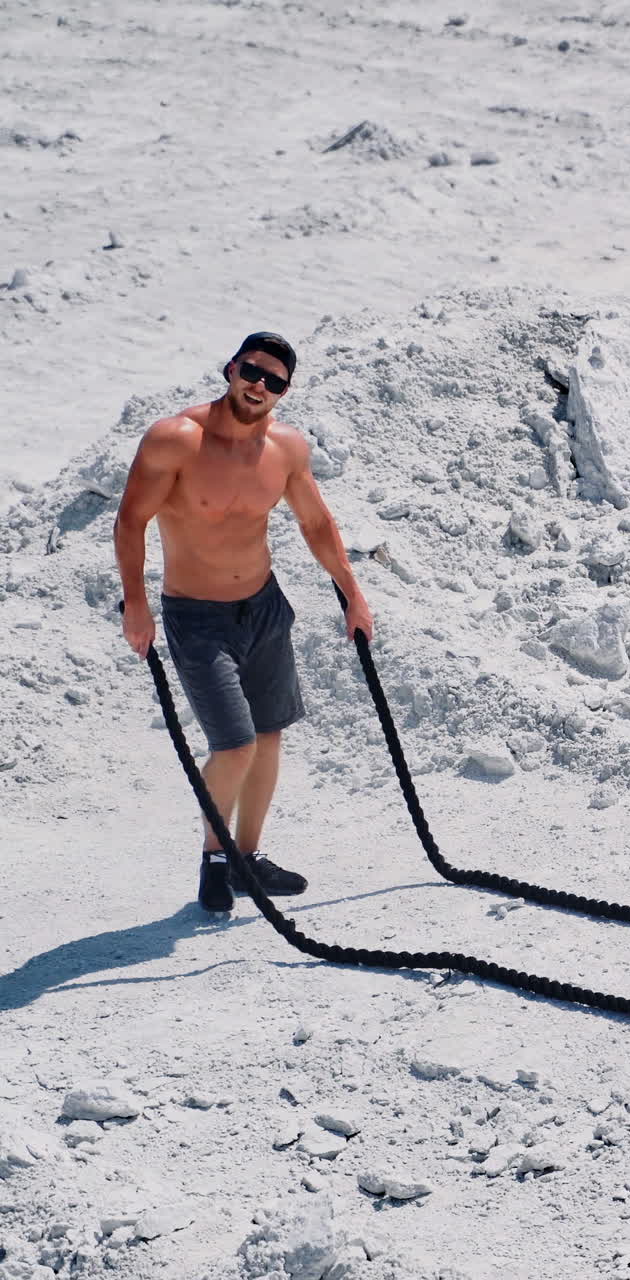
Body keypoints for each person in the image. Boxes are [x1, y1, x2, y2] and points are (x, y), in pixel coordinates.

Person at [114, 331, 373, 912]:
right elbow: (131, 521)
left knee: (267, 735)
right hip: (197, 617)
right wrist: (136, 600)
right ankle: (215, 857)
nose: (259, 386)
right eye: (252, 371)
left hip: (264, 607)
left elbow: (316, 525)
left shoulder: (284, 449)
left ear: (284, 392)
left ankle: (246, 860)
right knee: (232, 745)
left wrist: (353, 594)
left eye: (274, 381)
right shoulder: (175, 439)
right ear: (231, 367)